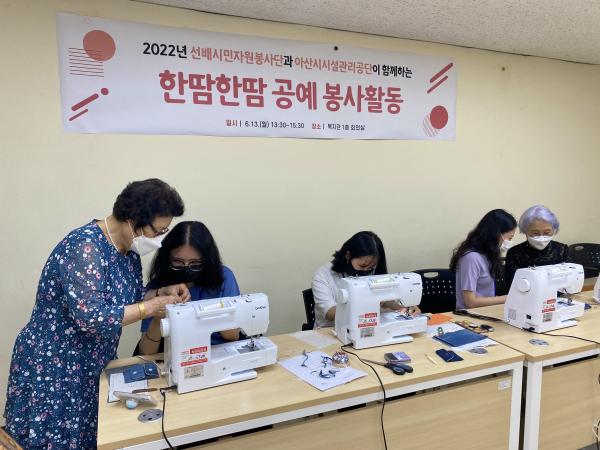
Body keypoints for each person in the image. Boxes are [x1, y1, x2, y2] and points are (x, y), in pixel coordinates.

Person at [4, 179, 191, 450]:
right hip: (57, 364)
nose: (159, 239)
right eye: (156, 230)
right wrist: (151, 308)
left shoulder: (127, 251)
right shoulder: (85, 246)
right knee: (56, 441)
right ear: (132, 220)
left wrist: (162, 292)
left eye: (164, 231)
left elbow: (129, 298)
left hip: (93, 362)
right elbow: (90, 317)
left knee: (88, 438)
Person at [137, 221, 242, 356]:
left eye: (195, 263)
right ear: (167, 258)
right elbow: (145, 352)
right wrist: (158, 318)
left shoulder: (223, 277)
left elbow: (233, 337)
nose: (186, 268)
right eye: (177, 261)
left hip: (217, 351)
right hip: (177, 355)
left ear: (207, 260)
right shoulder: (158, 288)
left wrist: (210, 311)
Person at [311, 231, 420, 329]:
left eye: (371, 267)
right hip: (331, 330)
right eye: (362, 266)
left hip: (365, 328)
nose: (366, 271)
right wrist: (365, 301)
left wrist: (405, 306)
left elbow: (387, 299)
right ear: (348, 256)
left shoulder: (370, 272)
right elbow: (330, 313)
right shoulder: (323, 275)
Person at [450, 209, 517, 309]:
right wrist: (508, 298)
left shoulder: (488, 255)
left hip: (486, 311)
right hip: (469, 314)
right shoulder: (471, 258)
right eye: (510, 238)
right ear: (497, 234)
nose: (510, 242)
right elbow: (470, 303)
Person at [505, 205, 572, 287]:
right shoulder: (515, 253)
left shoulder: (562, 250)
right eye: (535, 233)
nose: (541, 237)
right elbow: (514, 285)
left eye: (547, 232)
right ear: (525, 231)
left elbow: (570, 279)